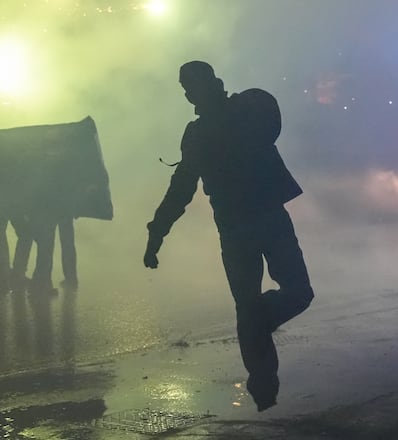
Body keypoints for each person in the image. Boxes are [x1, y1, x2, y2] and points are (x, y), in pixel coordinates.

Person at [144, 61, 314, 411]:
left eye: (191, 87)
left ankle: (257, 338)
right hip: (244, 225)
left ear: (211, 83)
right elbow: (181, 188)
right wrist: (157, 231)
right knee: (271, 301)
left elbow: (182, 188)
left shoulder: (244, 110)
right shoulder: (211, 127)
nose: (189, 94)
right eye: (186, 89)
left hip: (260, 220)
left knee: (282, 300)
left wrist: (157, 233)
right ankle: (264, 389)